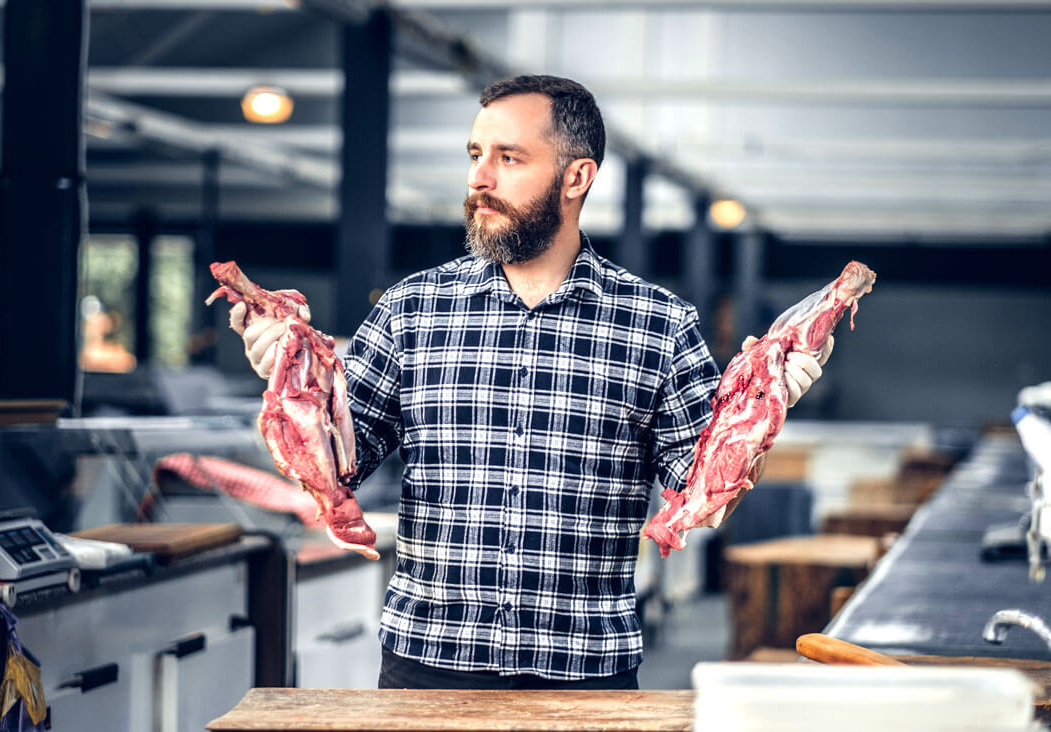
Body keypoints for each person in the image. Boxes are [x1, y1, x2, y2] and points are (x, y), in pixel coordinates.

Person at [227, 75, 831, 689]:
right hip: (428, 671)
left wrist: (762, 410)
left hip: (586, 677)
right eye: (474, 154)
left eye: (508, 157)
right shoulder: (411, 310)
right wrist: (286, 380)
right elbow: (338, 465)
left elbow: (699, 492)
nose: (479, 179)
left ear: (576, 178)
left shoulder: (660, 325)